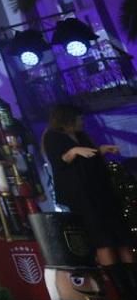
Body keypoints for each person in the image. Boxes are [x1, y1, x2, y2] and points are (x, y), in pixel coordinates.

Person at [42, 105, 133, 270]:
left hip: (100, 189)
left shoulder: (81, 135)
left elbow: (88, 156)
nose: (82, 122)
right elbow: (59, 161)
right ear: (68, 119)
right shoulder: (52, 137)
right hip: (81, 195)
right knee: (102, 237)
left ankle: (131, 272)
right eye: (79, 119)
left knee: (120, 235)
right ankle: (117, 277)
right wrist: (74, 151)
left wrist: (100, 151)